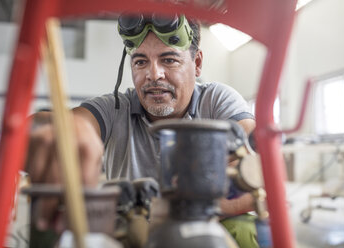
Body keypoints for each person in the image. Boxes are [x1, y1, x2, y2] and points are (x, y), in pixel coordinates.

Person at [26, 14, 258, 247]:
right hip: (132, 232)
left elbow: (259, 173)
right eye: (140, 62)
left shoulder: (217, 101)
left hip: (198, 233)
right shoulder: (114, 108)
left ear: (197, 63)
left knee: (243, 229)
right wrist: (65, 129)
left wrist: (178, 213)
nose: (153, 74)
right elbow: (35, 127)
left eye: (169, 60)